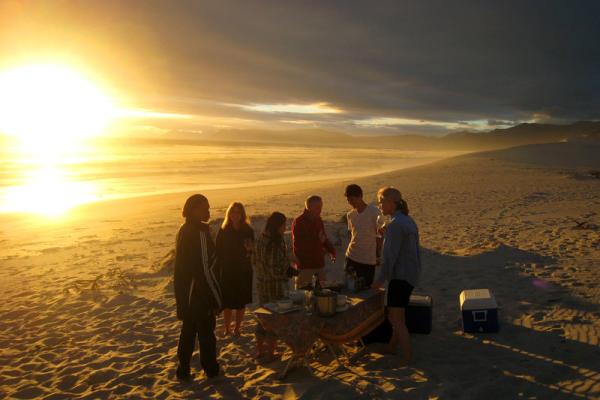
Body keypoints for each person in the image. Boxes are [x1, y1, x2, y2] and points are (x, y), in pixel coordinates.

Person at [173, 194, 222, 381]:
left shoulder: (184, 229)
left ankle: (183, 370)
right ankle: (211, 369)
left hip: (186, 293)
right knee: (206, 334)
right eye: (205, 208)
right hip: (199, 295)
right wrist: (217, 299)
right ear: (194, 210)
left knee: (188, 333)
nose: (208, 211)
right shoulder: (199, 233)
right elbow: (205, 270)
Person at [371, 187, 421, 365]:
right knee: (398, 315)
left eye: (381, 201)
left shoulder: (395, 224)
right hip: (410, 274)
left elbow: (389, 257)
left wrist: (379, 281)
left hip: (400, 277)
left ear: (391, 202)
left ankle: (407, 357)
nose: (380, 205)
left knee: (396, 318)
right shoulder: (407, 220)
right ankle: (392, 347)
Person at [254, 212, 289, 360]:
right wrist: (288, 268)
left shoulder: (261, 238)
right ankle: (270, 354)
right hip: (274, 287)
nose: (285, 228)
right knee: (274, 320)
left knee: (263, 318)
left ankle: (260, 351)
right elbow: (275, 269)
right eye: (283, 225)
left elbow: (255, 261)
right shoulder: (276, 241)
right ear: (277, 226)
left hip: (262, 285)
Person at [216, 202, 254, 338]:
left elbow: (251, 250)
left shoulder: (247, 230)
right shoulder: (224, 229)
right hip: (228, 270)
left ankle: (237, 328)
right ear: (229, 214)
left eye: (238, 212)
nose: (235, 215)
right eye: (233, 212)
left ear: (242, 214)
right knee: (227, 302)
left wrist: (250, 250)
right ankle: (227, 328)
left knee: (241, 301)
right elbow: (218, 251)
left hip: (243, 269)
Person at [292, 195, 337, 288]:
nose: (320, 210)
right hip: (305, 265)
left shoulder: (318, 219)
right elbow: (299, 245)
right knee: (303, 295)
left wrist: (332, 251)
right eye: (317, 207)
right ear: (309, 207)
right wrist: (317, 240)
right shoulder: (299, 222)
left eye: (321, 207)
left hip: (319, 263)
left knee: (322, 294)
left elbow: (323, 238)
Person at [344, 184, 383, 287]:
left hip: (368, 260)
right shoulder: (350, 215)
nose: (350, 202)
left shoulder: (374, 212)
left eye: (352, 199)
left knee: (365, 290)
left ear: (360, 196)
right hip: (351, 257)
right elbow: (352, 234)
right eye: (348, 200)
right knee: (349, 288)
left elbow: (381, 234)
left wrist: (378, 254)